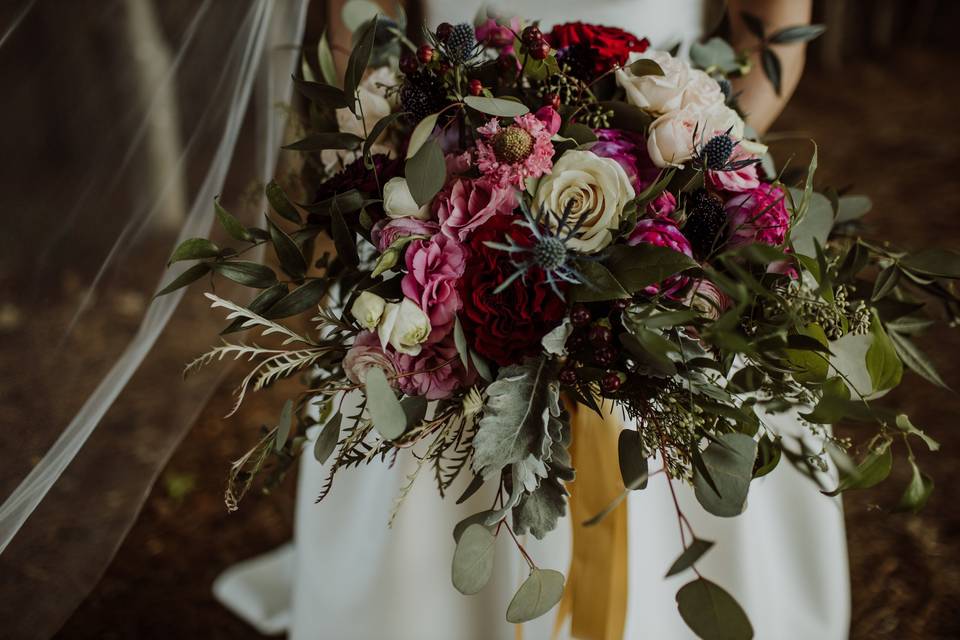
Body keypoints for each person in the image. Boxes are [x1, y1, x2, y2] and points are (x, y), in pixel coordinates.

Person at [214, 1, 851, 638]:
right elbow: (362, 18)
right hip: (443, 146)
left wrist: (690, 169)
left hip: (680, 158)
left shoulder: (687, 170)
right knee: (420, 352)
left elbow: (769, 42)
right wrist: (396, 138)